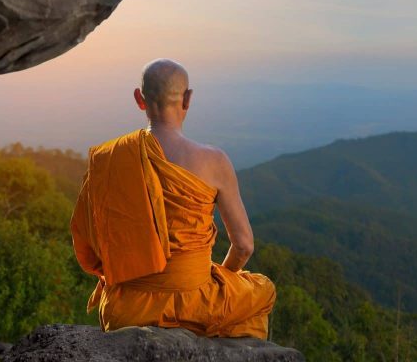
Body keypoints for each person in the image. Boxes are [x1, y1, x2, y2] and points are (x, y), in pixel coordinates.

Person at [70, 59, 275, 339]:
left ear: (139, 99)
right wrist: (218, 278)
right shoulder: (214, 161)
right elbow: (244, 246)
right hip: (197, 303)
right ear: (188, 99)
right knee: (263, 289)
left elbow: (90, 247)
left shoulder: (109, 160)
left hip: (128, 308)